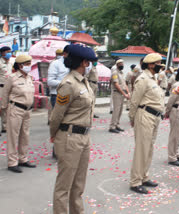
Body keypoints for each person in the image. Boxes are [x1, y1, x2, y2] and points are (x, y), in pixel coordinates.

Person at [50, 44, 96, 214]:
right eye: (89, 61)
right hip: (69, 136)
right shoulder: (68, 84)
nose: (91, 64)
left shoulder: (84, 82)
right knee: (64, 185)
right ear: (83, 62)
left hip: (84, 137)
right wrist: (54, 136)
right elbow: (56, 115)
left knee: (78, 184)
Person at [129, 53, 165, 194]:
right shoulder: (143, 79)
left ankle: (144, 176)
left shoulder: (152, 78)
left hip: (154, 117)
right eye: (158, 63)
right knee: (141, 150)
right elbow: (134, 101)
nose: (161, 66)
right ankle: (135, 181)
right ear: (151, 64)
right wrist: (132, 118)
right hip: (144, 115)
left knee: (148, 148)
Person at [1, 54, 35, 173]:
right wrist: (3, 107)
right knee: (13, 136)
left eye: (29, 64)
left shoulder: (30, 77)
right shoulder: (12, 78)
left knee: (25, 135)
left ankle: (23, 159)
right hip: (15, 109)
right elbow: (5, 93)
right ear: (20, 65)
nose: (29, 66)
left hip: (27, 110)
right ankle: (12, 162)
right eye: (26, 64)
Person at [109, 59, 130, 133]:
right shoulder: (115, 73)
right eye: (120, 64)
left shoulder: (121, 73)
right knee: (116, 110)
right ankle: (112, 126)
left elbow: (124, 84)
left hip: (121, 93)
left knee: (120, 110)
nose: (122, 65)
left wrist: (128, 92)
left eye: (122, 63)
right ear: (117, 65)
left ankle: (117, 124)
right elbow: (116, 84)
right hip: (117, 93)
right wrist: (124, 94)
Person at [0, 46, 13, 133]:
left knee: (8, 107)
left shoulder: (10, 63)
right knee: (2, 107)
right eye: (7, 52)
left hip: (10, 88)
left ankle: (6, 126)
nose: (9, 53)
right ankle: (4, 126)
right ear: (2, 53)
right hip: (1, 87)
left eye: (10, 52)